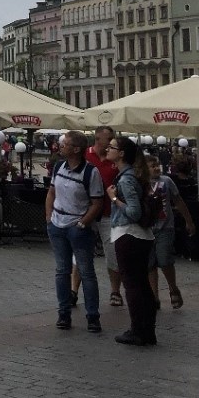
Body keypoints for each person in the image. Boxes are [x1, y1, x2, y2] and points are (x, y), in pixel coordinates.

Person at [44, 130, 104, 333]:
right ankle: (63, 313)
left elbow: (97, 202)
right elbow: (51, 192)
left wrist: (82, 223)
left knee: (86, 272)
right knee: (62, 272)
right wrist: (49, 218)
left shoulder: (90, 172)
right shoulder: (59, 166)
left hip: (78, 228)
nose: (61, 146)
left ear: (76, 149)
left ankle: (93, 316)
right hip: (57, 225)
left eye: (65, 143)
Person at [106, 136, 158, 346]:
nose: (108, 149)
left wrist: (114, 199)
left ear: (121, 154)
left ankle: (138, 330)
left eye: (112, 147)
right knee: (142, 284)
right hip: (140, 236)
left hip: (129, 234)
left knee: (132, 284)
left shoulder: (126, 179)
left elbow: (134, 211)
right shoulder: (133, 176)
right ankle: (147, 330)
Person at [73, 126, 123, 308]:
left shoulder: (115, 158)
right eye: (108, 138)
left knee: (112, 254)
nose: (111, 141)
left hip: (110, 213)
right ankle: (73, 291)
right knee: (81, 254)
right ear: (97, 139)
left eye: (112, 138)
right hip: (87, 212)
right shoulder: (85, 156)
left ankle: (115, 291)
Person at [148, 159, 195, 311]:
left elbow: (178, 201)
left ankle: (173, 288)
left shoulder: (166, 181)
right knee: (150, 264)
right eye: (152, 166)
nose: (156, 168)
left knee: (164, 259)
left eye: (157, 165)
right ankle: (154, 297)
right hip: (147, 229)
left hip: (165, 227)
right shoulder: (140, 182)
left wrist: (188, 220)